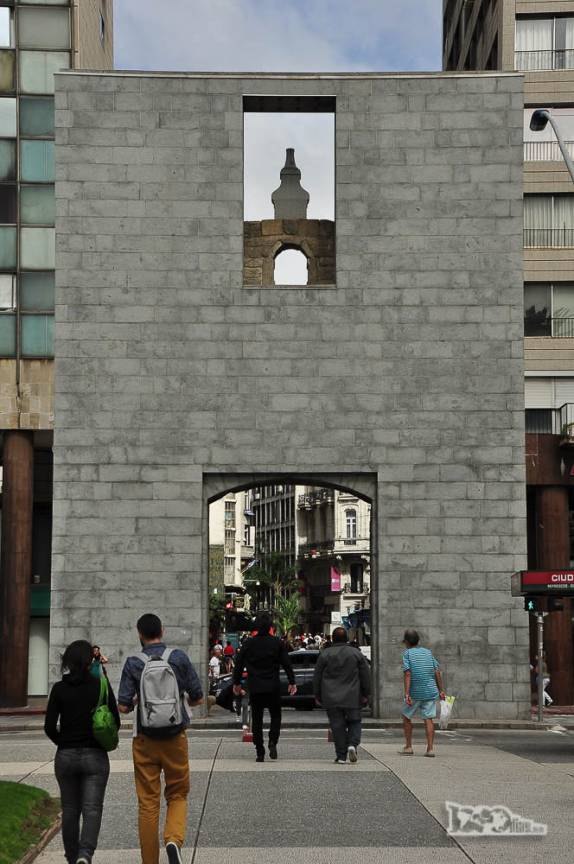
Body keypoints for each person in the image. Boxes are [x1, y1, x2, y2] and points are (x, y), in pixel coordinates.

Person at [118, 614, 204, 864]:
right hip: (175, 737)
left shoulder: (133, 663)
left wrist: (137, 701)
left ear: (139, 633)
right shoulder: (178, 658)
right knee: (177, 794)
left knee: (148, 803)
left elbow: (123, 707)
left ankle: (149, 862)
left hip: (145, 740)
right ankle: (173, 840)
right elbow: (198, 697)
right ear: (162, 631)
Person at [44, 639, 120, 864]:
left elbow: (49, 726)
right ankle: (85, 855)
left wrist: (63, 742)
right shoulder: (101, 685)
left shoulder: (59, 689)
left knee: (69, 809)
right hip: (94, 755)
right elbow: (114, 720)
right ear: (90, 661)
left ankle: (71, 856)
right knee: (92, 808)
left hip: (65, 755)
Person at [232, 611, 297, 762]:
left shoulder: (248, 643)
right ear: (270, 627)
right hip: (273, 685)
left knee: (257, 719)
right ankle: (273, 740)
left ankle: (259, 751)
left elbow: (239, 665)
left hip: (255, 686)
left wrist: (236, 683)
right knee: (276, 716)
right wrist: (292, 681)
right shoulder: (277, 643)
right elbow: (287, 664)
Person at [313, 626, 371, 764]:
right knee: (355, 721)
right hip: (353, 695)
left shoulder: (325, 654)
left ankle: (341, 755)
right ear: (347, 638)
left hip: (331, 696)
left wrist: (317, 694)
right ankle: (352, 744)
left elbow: (317, 676)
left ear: (333, 638)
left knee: (337, 726)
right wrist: (366, 692)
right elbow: (365, 675)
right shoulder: (356, 653)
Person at [400, 628, 445, 758]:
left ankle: (408, 746)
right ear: (418, 641)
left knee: (406, 716)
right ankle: (430, 749)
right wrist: (441, 690)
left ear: (406, 642)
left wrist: (407, 693)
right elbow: (437, 672)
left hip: (414, 692)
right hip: (430, 691)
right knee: (428, 719)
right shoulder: (428, 653)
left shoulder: (407, 654)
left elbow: (408, 673)